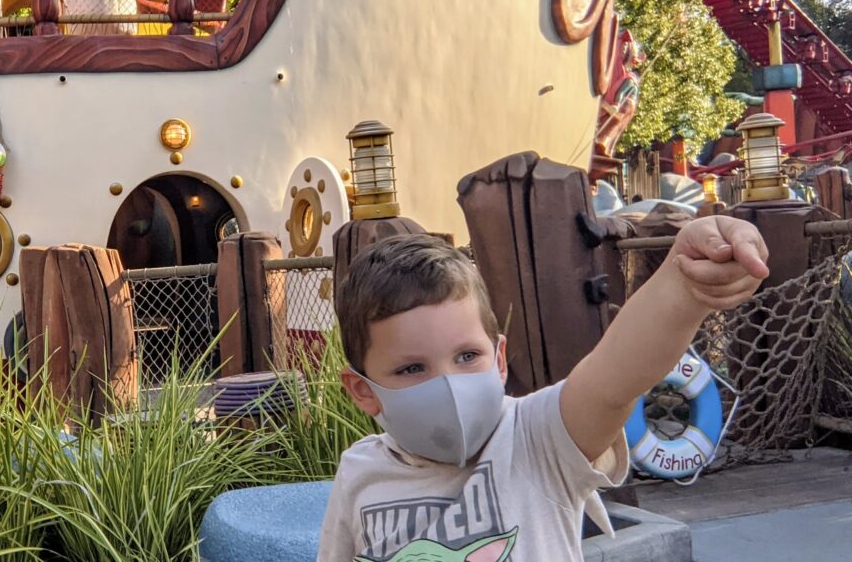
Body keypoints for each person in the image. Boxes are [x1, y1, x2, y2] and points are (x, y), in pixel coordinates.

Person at [318, 216, 768, 562]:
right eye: (412, 368)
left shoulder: (539, 436)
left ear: (498, 360)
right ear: (363, 390)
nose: (449, 385)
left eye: (466, 356)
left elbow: (616, 376)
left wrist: (682, 284)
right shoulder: (360, 472)